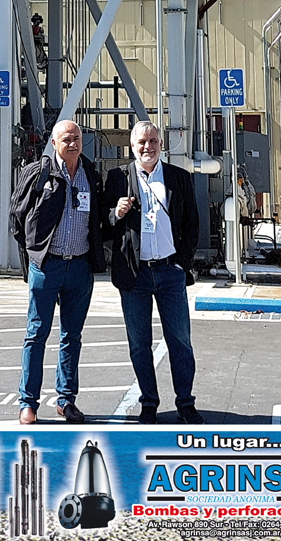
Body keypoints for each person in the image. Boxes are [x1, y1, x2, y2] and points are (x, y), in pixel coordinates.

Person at [103, 121, 202, 425]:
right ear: (131, 146)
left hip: (169, 271)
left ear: (161, 144)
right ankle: (149, 403)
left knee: (180, 341)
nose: (148, 147)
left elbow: (192, 224)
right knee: (139, 343)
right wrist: (116, 213)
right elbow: (103, 225)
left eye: (153, 141)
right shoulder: (118, 178)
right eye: (141, 142)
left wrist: (181, 264)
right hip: (135, 275)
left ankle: (185, 403)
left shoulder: (178, 177)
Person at [10, 120, 106, 425]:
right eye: (66, 139)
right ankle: (28, 403)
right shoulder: (38, 173)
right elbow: (17, 216)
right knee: (36, 335)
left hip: (79, 267)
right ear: (54, 143)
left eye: (77, 138)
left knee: (71, 336)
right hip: (46, 266)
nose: (73, 143)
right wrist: (35, 253)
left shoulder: (91, 174)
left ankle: (66, 400)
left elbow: (99, 219)